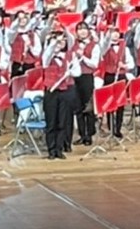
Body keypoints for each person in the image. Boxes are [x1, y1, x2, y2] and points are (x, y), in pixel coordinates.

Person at [39, 25, 78, 159]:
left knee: (62, 121)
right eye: (58, 40)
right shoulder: (47, 56)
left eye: (63, 41)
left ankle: (59, 149)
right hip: (51, 91)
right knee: (51, 122)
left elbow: (77, 71)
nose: (61, 42)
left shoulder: (69, 56)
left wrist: (71, 72)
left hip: (64, 91)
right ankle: (51, 150)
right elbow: (47, 56)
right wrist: (54, 41)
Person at [73, 23, 101, 145]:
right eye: (80, 29)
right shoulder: (73, 44)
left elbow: (94, 64)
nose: (82, 31)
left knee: (88, 107)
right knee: (78, 107)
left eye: (84, 29)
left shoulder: (94, 46)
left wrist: (82, 57)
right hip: (75, 77)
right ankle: (82, 134)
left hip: (87, 77)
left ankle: (89, 134)